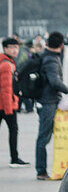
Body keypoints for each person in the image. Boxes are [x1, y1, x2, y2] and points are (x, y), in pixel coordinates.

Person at [36, 32, 68, 180]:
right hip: (48, 102)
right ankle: (41, 170)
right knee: (44, 136)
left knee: (45, 135)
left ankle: (46, 168)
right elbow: (54, 82)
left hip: (47, 100)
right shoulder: (51, 60)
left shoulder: (45, 56)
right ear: (61, 45)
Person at [1, 37, 29, 166]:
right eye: (11, 47)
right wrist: (9, 109)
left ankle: (15, 157)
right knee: (13, 130)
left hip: (4, 104)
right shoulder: (7, 65)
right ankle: (14, 158)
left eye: (16, 47)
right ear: (5, 49)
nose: (14, 50)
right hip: (5, 105)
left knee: (13, 131)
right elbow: (6, 88)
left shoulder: (7, 62)